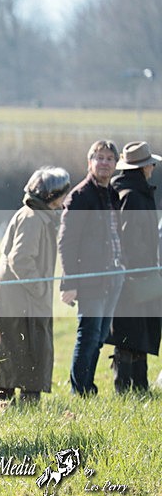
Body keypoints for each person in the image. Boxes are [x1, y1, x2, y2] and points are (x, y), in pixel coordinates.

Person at [0, 166, 71, 410]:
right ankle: (9, 407)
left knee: (27, 347)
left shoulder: (41, 216)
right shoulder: (32, 217)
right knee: (16, 348)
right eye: (63, 194)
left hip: (23, 296)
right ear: (52, 195)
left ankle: (27, 407)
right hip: (18, 298)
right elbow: (20, 259)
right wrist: (40, 289)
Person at [58, 139, 123, 397]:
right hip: (90, 278)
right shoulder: (79, 196)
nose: (104, 163)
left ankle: (87, 387)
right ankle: (80, 390)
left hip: (113, 275)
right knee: (88, 335)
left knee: (98, 337)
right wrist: (69, 282)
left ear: (116, 164)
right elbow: (66, 242)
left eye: (109, 158)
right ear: (90, 162)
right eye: (99, 158)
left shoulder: (112, 193)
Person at [105, 141, 162, 393]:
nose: (152, 167)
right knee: (130, 332)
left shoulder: (132, 191)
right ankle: (126, 388)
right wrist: (141, 268)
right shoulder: (133, 196)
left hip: (138, 274)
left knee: (139, 331)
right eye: (150, 163)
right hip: (135, 275)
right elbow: (129, 238)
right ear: (144, 167)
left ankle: (140, 386)